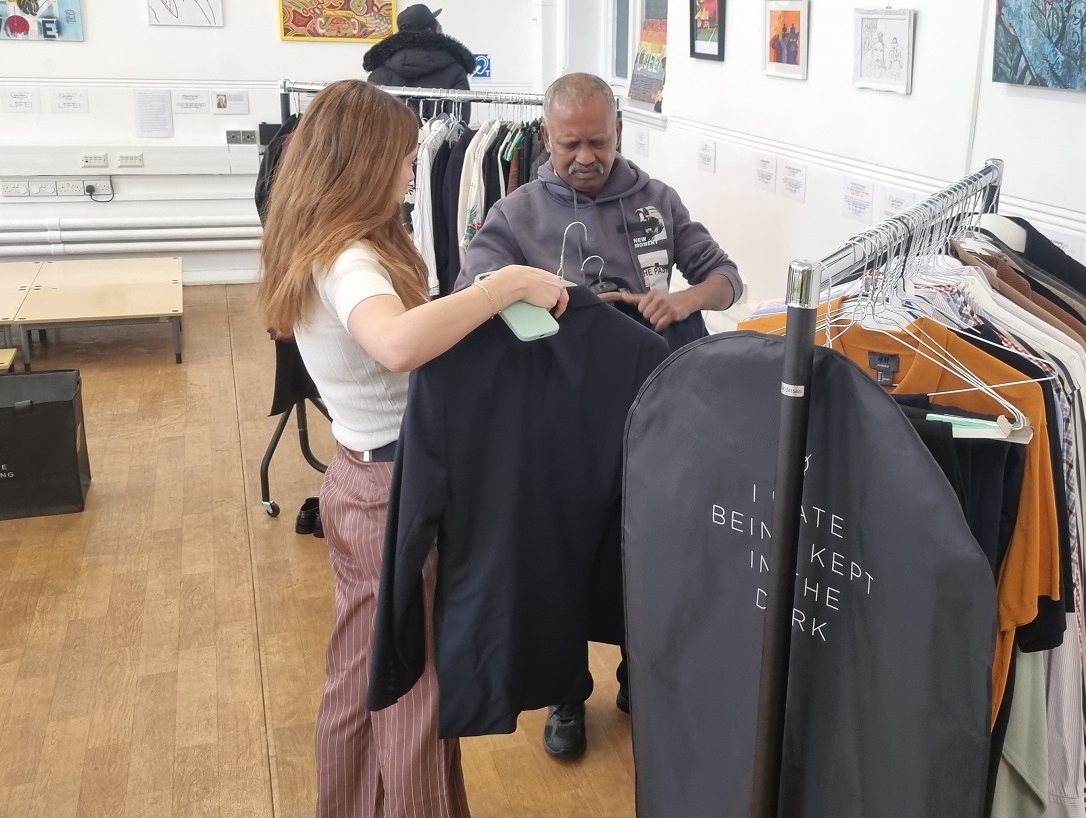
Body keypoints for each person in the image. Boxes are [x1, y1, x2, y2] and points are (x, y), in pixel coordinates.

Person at [257, 79, 569, 818]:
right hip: (393, 493)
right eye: (400, 162)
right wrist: (505, 287)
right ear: (362, 163)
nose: (408, 175)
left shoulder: (317, 243)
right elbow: (396, 344)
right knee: (415, 689)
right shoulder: (348, 260)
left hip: (358, 479)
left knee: (361, 674)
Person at [457, 72, 743, 760]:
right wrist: (543, 302)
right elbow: (473, 291)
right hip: (558, 416)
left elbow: (727, 276)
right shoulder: (519, 211)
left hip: (654, 406)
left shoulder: (656, 201)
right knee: (565, 550)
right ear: (545, 139)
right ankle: (566, 690)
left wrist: (681, 301)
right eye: (568, 145)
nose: (584, 157)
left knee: (646, 539)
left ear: (620, 132)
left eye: (599, 142)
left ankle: (637, 671)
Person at [363, 4, 476, 93]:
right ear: (431, 31)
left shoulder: (378, 73)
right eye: (437, 24)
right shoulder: (455, 71)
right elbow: (460, 119)